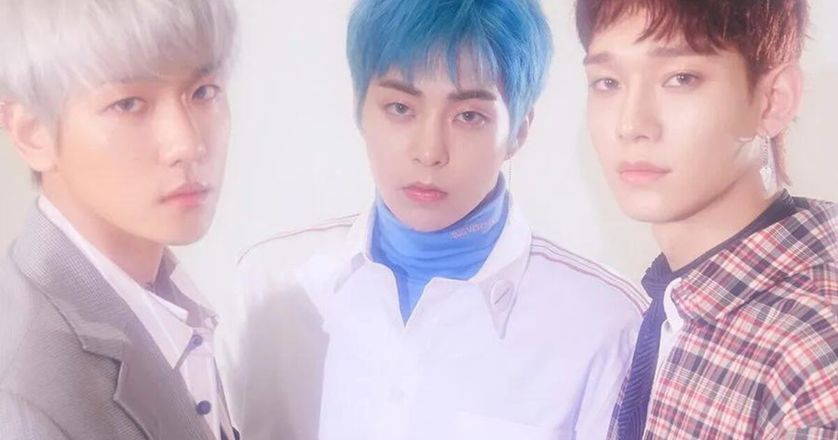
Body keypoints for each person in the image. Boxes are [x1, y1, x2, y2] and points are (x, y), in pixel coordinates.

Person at [229, 1, 646, 439]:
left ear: (520, 128)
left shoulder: (606, 323)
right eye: (400, 108)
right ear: (359, 108)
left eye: (469, 116)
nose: (429, 151)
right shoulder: (268, 283)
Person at [575, 0, 837, 437]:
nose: (631, 124)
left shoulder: (812, 356)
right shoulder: (662, 304)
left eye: (681, 78)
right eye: (608, 82)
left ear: (772, 101)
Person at [0, 1, 239, 439]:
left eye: (203, 92)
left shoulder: (163, 299)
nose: (187, 143)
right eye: (128, 104)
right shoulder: (20, 391)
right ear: (31, 132)